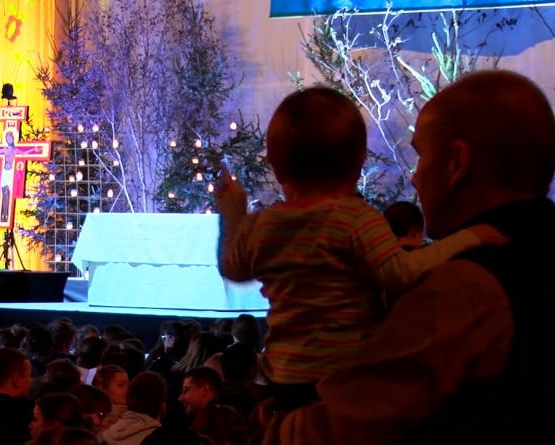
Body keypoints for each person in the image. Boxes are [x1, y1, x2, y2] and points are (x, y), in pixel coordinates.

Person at [262, 70, 555, 444]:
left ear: (456, 164)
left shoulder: (464, 291)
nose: (415, 179)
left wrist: (276, 428)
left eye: (420, 156)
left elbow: (343, 424)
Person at [215, 86, 507, 412]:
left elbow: (232, 267)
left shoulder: (262, 225)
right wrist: (467, 238)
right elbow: (402, 273)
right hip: (347, 375)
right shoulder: (355, 218)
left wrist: (232, 210)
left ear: (276, 166)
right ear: (358, 163)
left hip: (284, 376)